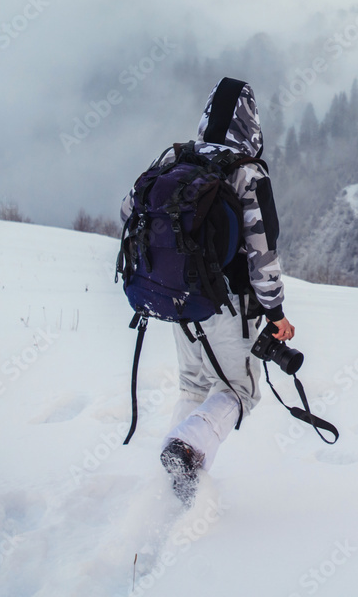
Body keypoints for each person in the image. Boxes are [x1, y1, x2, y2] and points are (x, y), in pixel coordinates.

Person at [120, 77, 294, 504]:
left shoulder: (176, 158)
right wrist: (276, 314)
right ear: (250, 123)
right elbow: (261, 254)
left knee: (195, 387)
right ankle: (187, 452)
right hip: (228, 304)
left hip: (179, 297)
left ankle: (177, 487)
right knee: (238, 392)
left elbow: (128, 210)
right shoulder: (247, 173)